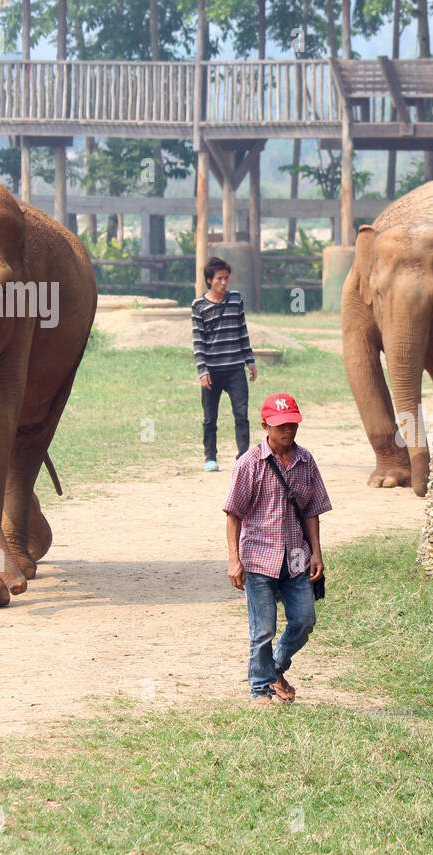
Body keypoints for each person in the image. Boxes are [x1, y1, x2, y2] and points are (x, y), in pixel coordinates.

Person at [224, 393, 332, 709]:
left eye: (292, 424)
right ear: (265, 426)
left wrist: (316, 553)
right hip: (258, 557)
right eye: (281, 425)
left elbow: (312, 510)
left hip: (297, 557)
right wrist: (234, 560)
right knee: (263, 629)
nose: (288, 431)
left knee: (304, 620)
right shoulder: (248, 464)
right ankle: (260, 690)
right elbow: (233, 514)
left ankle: (274, 668)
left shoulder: (306, 461)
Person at [192, 257, 257, 471]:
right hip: (212, 370)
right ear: (209, 280)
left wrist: (250, 361)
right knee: (210, 418)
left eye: (226, 278)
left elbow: (242, 332)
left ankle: (243, 457)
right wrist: (203, 371)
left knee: (241, 414)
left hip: (235, 368)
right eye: (219, 278)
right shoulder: (199, 306)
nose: (224, 282)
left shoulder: (236, 299)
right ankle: (210, 457)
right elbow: (198, 342)